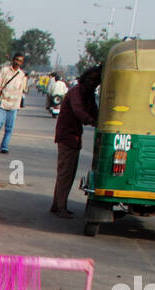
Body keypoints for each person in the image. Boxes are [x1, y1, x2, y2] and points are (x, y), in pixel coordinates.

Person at [51, 66, 100, 218]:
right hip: (68, 136)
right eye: (91, 80)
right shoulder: (76, 92)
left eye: (95, 81)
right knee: (66, 173)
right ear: (85, 78)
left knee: (67, 173)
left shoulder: (87, 94)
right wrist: (92, 120)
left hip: (73, 136)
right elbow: (79, 111)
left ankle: (57, 205)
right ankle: (60, 207)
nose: (93, 83)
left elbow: (93, 110)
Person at [0, 52, 29, 153]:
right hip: (3, 102)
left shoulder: (22, 75)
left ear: (22, 63)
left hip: (14, 104)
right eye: (16, 60)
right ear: (13, 60)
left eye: (20, 61)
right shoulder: (5, 70)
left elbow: (23, 89)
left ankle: (4, 146)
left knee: (9, 128)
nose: (17, 63)